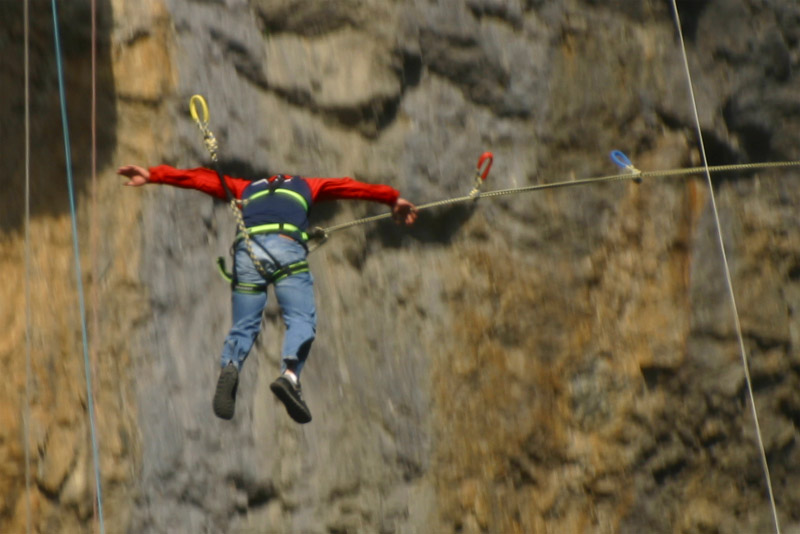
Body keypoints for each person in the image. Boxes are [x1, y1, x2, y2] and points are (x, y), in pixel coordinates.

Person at [117, 164, 418, 423]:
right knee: (300, 317)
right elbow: (351, 188)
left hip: (248, 253)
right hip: (287, 247)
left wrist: (154, 174)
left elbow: (200, 178)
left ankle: (231, 365)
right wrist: (392, 199)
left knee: (244, 324)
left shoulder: (245, 188)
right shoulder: (306, 185)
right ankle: (289, 377)